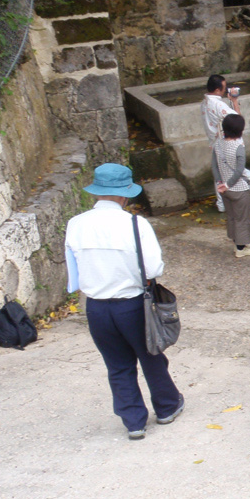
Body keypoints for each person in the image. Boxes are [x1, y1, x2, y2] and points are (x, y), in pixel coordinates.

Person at [64, 163, 184, 441]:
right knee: (151, 356)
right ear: (123, 195)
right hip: (131, 304)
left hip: (95, 306)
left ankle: (133, 422)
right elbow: (154, 269)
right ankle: (167, 407)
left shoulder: (76, 224)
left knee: (117, 365)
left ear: (97, 192)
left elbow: (74, 273)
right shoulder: (135, 224)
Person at [212, 113, 250, 258]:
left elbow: (214, 166)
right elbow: (239, 170)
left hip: (224, 190)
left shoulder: (218, 143)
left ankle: (236, 240)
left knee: (231, 216)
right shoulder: (238, 147)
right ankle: (241, 248)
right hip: (238, 189)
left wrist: (220, 183)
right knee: (242, 218)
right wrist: (229, 184)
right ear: (240, 131)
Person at [201, 74, 240, 213]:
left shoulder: (204, 102)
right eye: (224, 88)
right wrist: (234, 101)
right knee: (232, 172)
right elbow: (237, 121)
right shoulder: (217, 104)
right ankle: (235, 203)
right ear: (218, 90)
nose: (225, 90)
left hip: (214, 142)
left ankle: (222, 204)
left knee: (219, 175)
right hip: (224, 144)